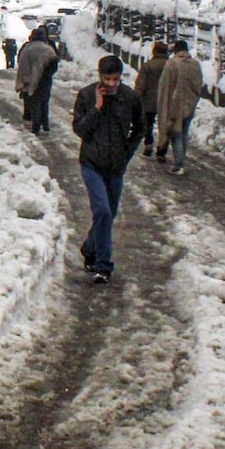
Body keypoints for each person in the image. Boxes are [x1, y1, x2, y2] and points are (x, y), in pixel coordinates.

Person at [72, 54, 144, 282]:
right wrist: (97, 107)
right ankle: (103, 265)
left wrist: (127, 152)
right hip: (92, 164)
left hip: (116, 166)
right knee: (102, 211)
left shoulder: (130, 98)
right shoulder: (85, 95)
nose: (112, 84)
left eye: (116, 79)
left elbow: (140, 128)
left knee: (109, 215)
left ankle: (90, 247)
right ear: (100, 76)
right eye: (108, 79)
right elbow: (80, 130)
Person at [155, 39, 204, 174]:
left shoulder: (172, 64)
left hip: (175, 105)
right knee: (184, 132)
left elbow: (165, 87)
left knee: (175, 132)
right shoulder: (196, 64)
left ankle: (178, 163)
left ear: (175, 50)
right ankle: (181, 159)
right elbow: (199, 84)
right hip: (190, 104)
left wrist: (164, 106)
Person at [15, 25, 58, 134]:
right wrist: (47, 74)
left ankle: (36, 126)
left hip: (30, 80)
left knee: (34, 102)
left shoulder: (27, 49)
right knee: (44, 102)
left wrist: (25, 79)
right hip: (45, 80)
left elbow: (21, 63)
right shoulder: (48, 49)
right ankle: (45, 124)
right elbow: (54, 64)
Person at [133, 41, 169, 160]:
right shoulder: (171, 66)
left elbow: (140, 85)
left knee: (148, 123)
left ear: (154, 51)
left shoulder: (148, 66)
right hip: (166, 100)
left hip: (149, 100)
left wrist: (136, 99)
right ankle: (162, 151)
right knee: (164, 126)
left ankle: (148, 144)